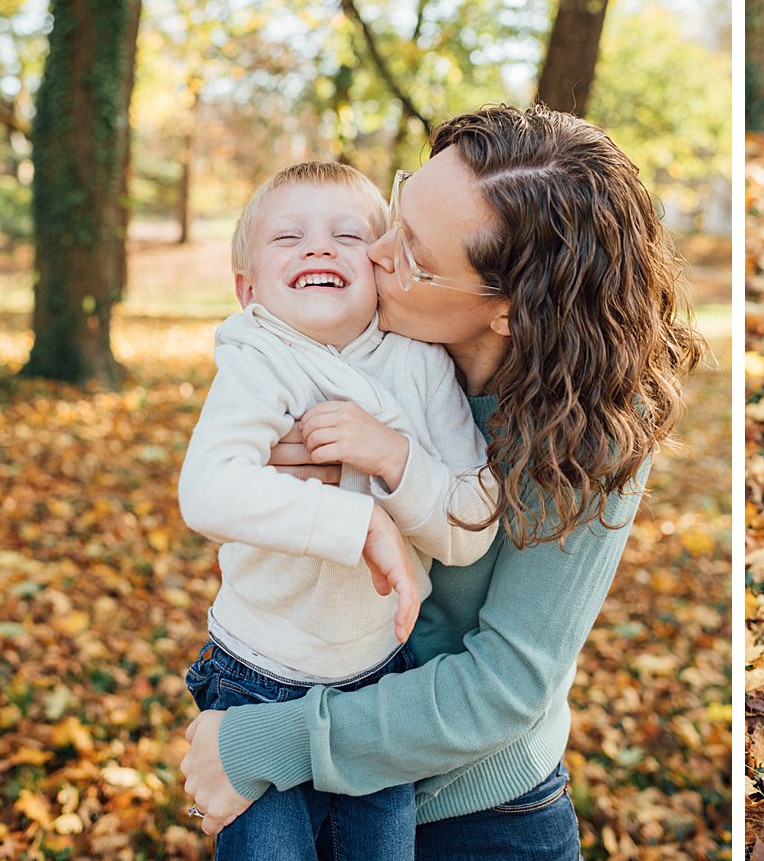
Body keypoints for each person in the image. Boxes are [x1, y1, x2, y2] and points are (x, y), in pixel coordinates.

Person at [182, 103, 704, 860]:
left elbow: (503, 687)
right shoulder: (361, 330)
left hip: (473, 808)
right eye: (394, 212)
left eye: (412, 253)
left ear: (508, 313)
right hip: (305, 749)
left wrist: (264, 740)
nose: (373, 252)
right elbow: (237, 482)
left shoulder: (593, 434)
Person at [180, 160, 503, 860]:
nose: (319, 248)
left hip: (375, 681)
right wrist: (359, 522)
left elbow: (472, 523)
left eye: (347, 234)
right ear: (248, 289)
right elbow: (207, 487)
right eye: (288, 236)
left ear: (383, 266)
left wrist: (393, 456)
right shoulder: (257, 356)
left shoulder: (418, 363)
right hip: (255, 676)